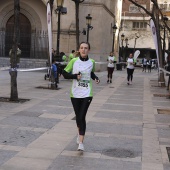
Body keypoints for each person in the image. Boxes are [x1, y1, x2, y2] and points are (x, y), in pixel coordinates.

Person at [62, 42, 100, 151]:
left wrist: (96, 78)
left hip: (87, 93)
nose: (84, 50)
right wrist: (74, 76)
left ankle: (81, 143)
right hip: (75, 93)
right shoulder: (74, 61)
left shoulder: (92, 62)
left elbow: (91, 73)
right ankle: (79, 134)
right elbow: (64, 73)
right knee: (78, 116)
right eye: (82, 48)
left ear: (89, 50)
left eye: (86, 48)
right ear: (79, 49)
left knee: (82, 116)